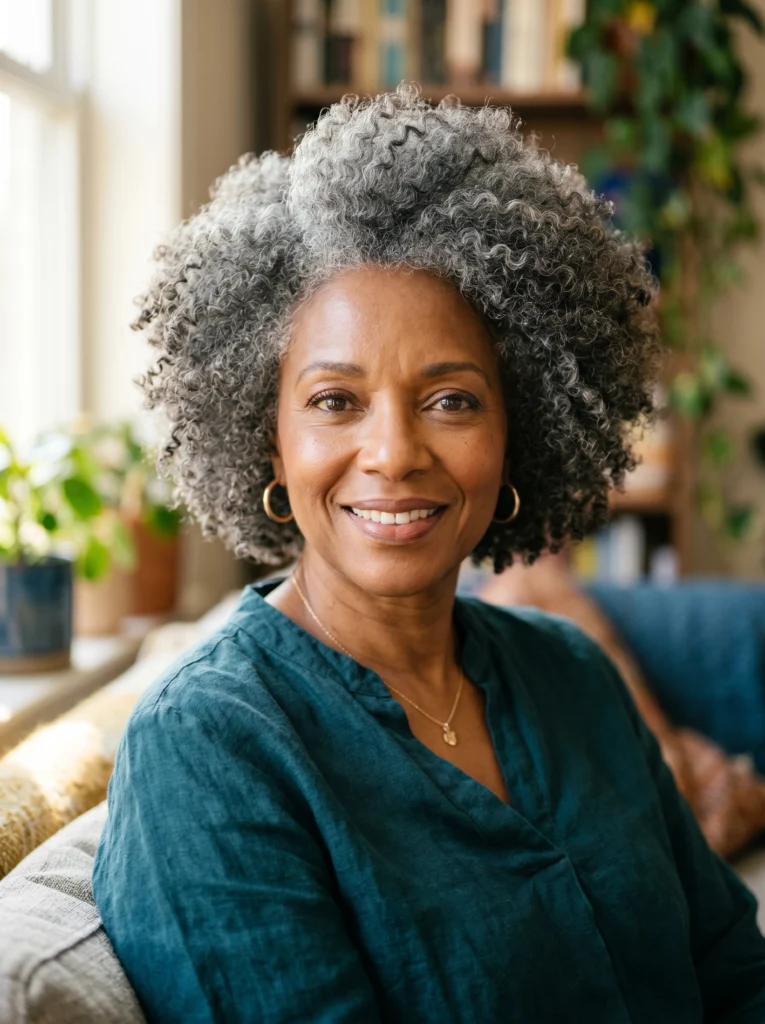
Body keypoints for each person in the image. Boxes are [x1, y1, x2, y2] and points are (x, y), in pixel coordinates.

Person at [91, 85, 765, 1023]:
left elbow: (734, 973)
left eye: (451, 399)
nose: (396, 451)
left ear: (517, 433)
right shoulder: (210, 744)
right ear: (265, 441)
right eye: (334, 401)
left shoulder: (572, 674)